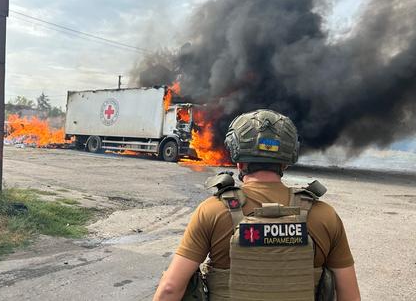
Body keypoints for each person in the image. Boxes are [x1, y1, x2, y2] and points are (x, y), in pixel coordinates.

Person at [153, 109, 360, 301]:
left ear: (238, 160)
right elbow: (349, 295)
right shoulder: (324, 215)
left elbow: (170, 289)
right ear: (286, 161)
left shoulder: (212, 211)